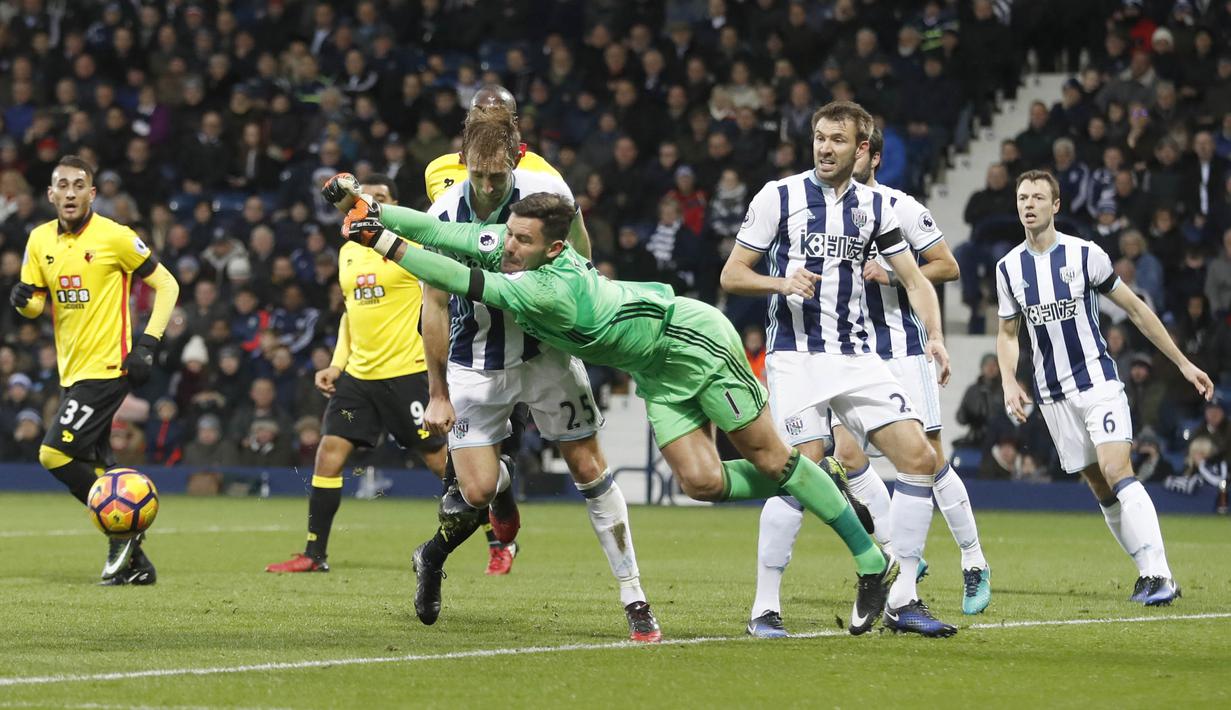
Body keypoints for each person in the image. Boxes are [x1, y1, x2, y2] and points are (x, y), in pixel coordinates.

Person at [322, 176, 897, 639]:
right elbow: (449, 235)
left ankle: (871, 562)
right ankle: (820, 478)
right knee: (701, 483)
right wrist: (368, 206)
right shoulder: (526, 249)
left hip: (694, 343)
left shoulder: (545, 286)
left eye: (520, 241)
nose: (507, 247)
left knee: (773, 460)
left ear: (554, 247)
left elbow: (454, 273)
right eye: (509, 235)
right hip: (654, 369)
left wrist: (381, 242)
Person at [417, 105, 658, 641]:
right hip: (475, 360)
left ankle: (634, 596)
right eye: (476, 174)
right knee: (474, 494)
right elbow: (433, 306)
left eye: (495, 175)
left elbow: (582, 254)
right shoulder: (444, 211)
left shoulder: (544, 191)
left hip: (546, 355)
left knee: (589, 470)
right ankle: (433, 554)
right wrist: (436, 391)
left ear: (513, 159)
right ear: (463, 162)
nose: (485, 186)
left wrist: (584, 308)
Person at [743, 126, 990, 640]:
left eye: (837, 139)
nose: (825, 147)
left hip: (859, 357)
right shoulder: (779, 195)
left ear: (862, 149)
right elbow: (731, 273)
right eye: (818, 137)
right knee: (803, 464)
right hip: (796, 355)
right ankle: (765, 607)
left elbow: (922, 277)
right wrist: (779, 282)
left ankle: (902, 599)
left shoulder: (882, 208)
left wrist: (937, 338)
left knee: (922, 460)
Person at [995, 169, 1214, 607]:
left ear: (1056, 206)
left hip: (1097, 383)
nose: (1029, 204)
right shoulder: (1008, 268)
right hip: (1052, 395)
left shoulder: (1085, 255)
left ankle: (1162, 574)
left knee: (1118, 470)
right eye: (1023, 197)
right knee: (1100, 486)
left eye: (1039, 196)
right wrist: (1008, 381)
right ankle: (1145, 573)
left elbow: (1135, 310)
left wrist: (1184, 363)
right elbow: (1006, 334)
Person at [265, 175, 449, 574]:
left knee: (439, 462)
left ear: (394, 205)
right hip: (360, 377)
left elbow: (437, 301)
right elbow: (351, 312)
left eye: (381, 198)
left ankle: (494, 538)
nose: (369, 202)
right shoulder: (349, 249)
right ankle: (315, 553)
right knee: (329, 454)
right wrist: (336, 363)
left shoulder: (412, 246)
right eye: (366, 197)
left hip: (407, 372)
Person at [10, 155, 180, 585]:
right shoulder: (38, 240)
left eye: (78, 185)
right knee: (100, 469)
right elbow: (35, 306)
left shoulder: (115, 237)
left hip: (106, 368)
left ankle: (122, 530)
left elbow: (167, 284)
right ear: (50, 194)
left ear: (92, 193)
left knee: (54, 453)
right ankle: (135, 563)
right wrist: (22, 299)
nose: (69, 192)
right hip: (72, 370)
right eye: (62, 185)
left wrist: (148, 344)